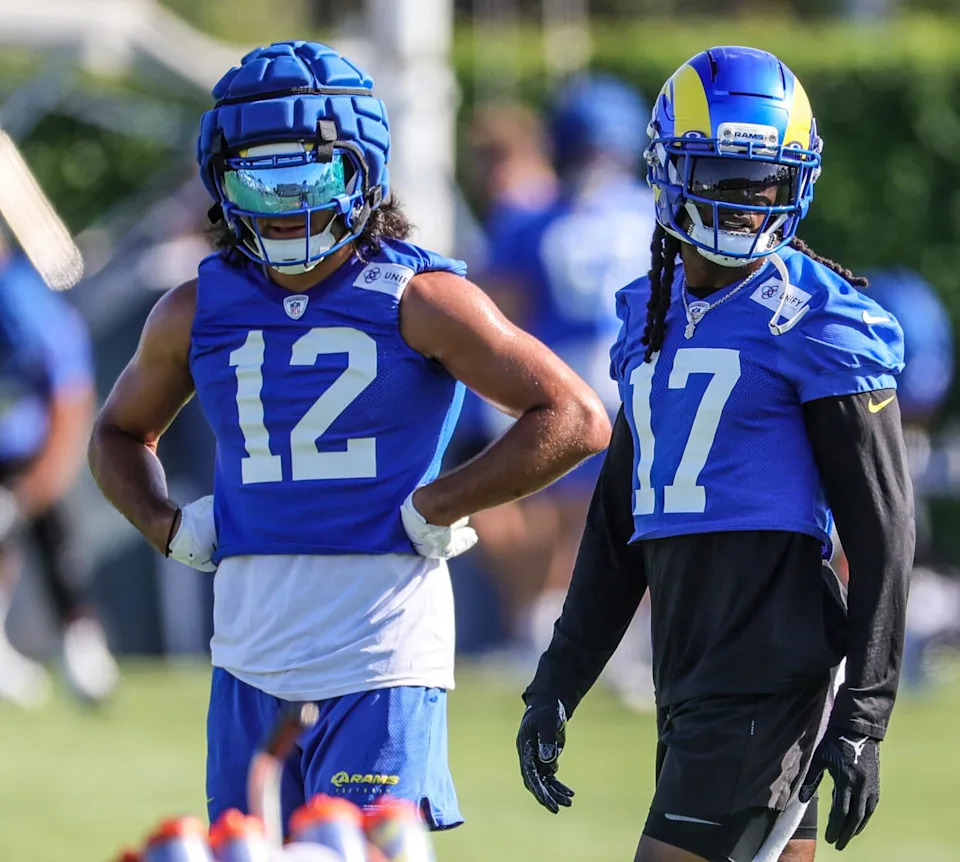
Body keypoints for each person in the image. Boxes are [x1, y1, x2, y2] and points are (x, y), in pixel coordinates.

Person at [88, 41, 609, 833]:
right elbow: (118, 433)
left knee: (360, 850)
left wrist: (441, 502)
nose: (284, 205)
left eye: (309, 177)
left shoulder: (422, 296)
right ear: (220, 183)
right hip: (248, 650)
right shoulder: (194, 309)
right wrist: (165, 525)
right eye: (257, 180)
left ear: (362, 169)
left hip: (383, 651)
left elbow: (575, 416)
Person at [516, 46, 914, 862]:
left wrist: (866, 715)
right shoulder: (650, 312)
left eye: (765, 180)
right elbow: (618, 524)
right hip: (689, 669)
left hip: (769, 669)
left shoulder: (821, 318)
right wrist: (560, 677)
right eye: (723, 173)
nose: (745, 199)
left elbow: (885, 528)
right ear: (669, 169)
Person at [474, 76, 657, 685]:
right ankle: (611, 642)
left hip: (563, 387)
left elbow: (499, 312)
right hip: (638, 382)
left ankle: (545, 634)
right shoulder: (656, 216)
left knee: (552, 522)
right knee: (625, 521)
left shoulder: (533, 223)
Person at [0, 241, 118, 708]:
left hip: (28, 451)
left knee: (54, 542)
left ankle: (82, 645)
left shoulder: (19, 296)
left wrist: (41, 481)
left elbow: (70, 386)